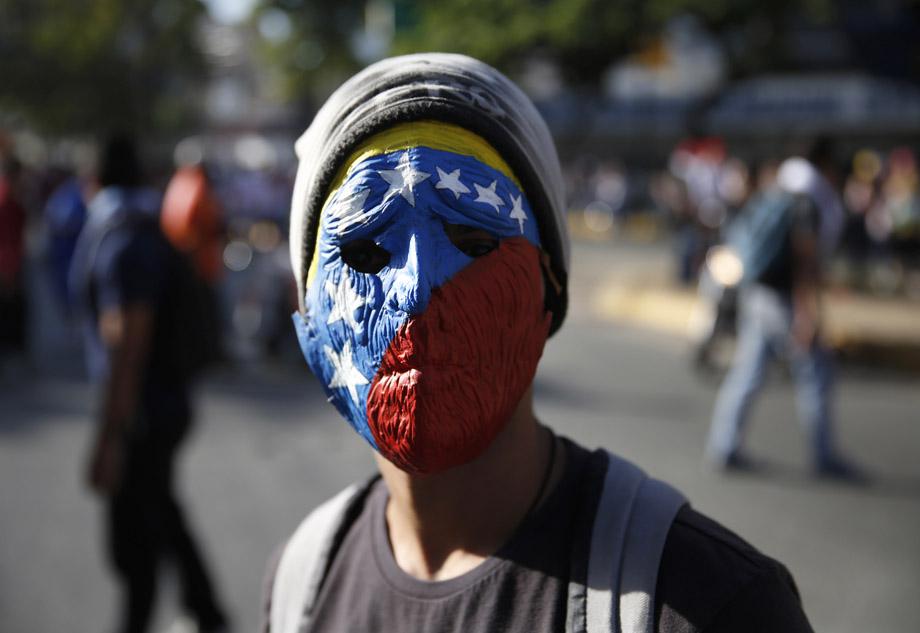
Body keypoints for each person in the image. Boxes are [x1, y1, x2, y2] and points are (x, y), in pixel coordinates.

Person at [264, 53, 813, 633]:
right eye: (366, 249)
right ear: (307, 319)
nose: (420, 291)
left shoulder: (714, 605)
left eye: (474, 238)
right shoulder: (300, 583)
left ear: (549, 291)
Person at [71, 134, 228, 633]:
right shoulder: (143, 227)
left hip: (144, 412)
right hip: (163, 403)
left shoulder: (121, 239)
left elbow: (128, 346)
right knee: (160, 509)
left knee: (134, 541)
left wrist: (110, 436)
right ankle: (205, 610)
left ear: (92, 180)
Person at [706, 139, 858, 479]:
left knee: (747, 373)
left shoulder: (775, 192)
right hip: (784, 301)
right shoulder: (808, 202)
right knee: (816, 373)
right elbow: (805, 262)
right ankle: (824, 456)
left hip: (756, 294)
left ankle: (723, 446)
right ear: (825, 165)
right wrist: (809, 316)